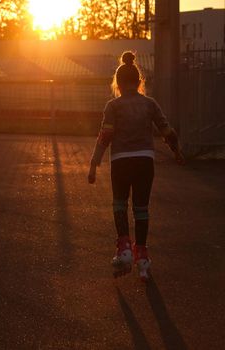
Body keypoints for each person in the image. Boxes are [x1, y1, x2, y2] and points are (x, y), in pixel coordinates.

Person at [88, 51, 185, 281]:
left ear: (118, 83)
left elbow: (105, 135)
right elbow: (166, 130)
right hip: (144, 161)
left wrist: (94, 163)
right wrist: (177, 152)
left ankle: (124, 252)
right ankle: (142, 259)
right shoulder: (149, 104)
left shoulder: (113, 106)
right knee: (141, 209)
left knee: (119, 205)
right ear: (139, 81)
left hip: (120, 162)